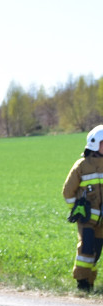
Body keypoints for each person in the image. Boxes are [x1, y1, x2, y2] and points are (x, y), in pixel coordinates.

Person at [63, 124, 103, 292]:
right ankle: (82, 282)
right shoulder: (81, 165)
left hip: (102, 220)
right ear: (94, 143)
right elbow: (67, 192)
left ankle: (90, 281)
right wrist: (78, 209)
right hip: (86, 219)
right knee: (86, 248)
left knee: (96, 252)